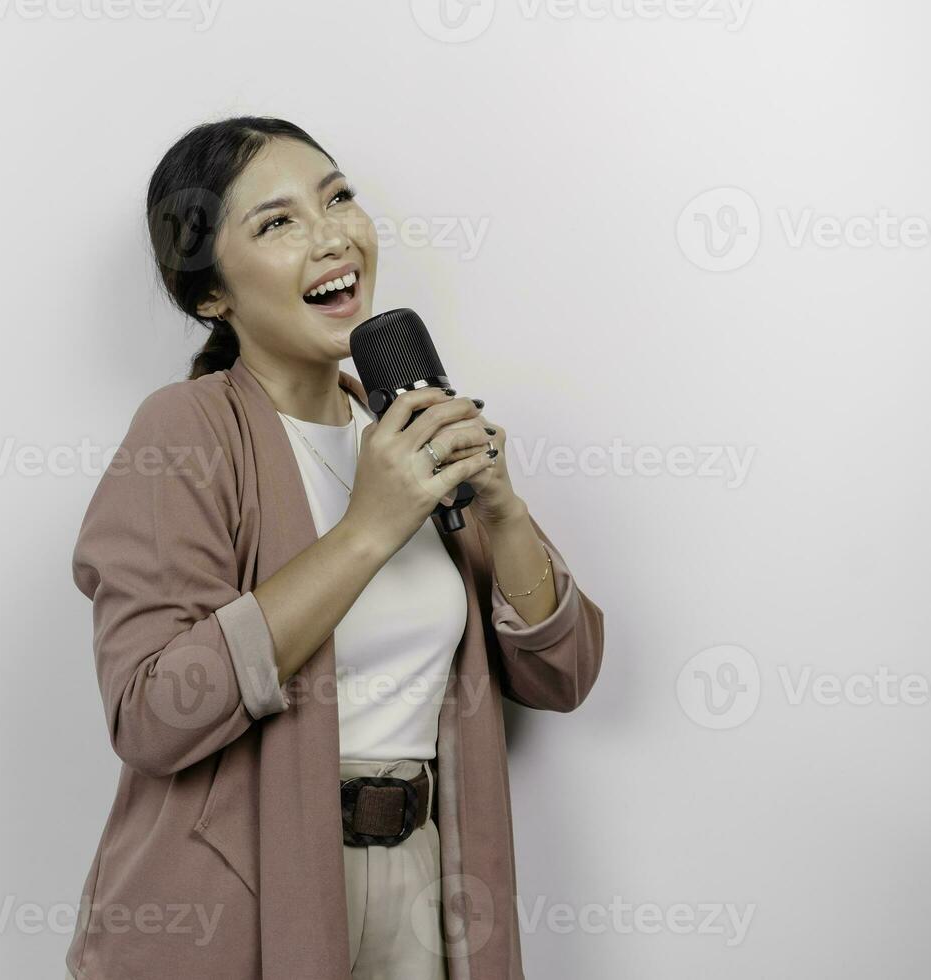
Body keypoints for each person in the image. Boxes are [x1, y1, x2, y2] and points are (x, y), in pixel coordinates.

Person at [64, 116, 605, 980]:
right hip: (241, 894)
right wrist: (366, 529)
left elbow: (561, 676)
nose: (331, 237)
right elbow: (151, 713)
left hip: (421, 886)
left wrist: (503, 512)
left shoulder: (401, 424)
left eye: (338, 198)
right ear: (212, 297)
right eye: (276, 223)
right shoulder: (188, 431)